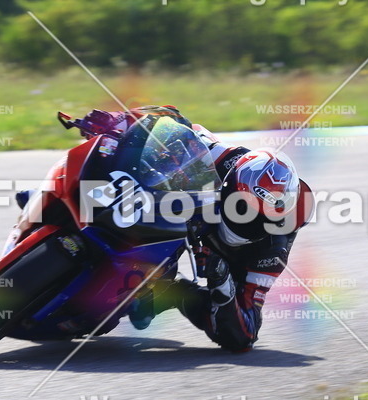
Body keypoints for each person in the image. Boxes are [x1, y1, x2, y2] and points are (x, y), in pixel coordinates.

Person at [75, 105, 314, 352]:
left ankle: (169, 292)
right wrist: (120, 121)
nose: (249, 221)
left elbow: (246, 333)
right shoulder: (226, 158)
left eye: (262, 218)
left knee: (146, 294)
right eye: (243, 208)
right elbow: (173, 117)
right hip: (188, 213)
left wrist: (221, 280)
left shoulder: (271, 252)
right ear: (231, 185)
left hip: (217, 263)